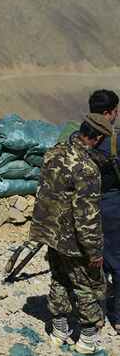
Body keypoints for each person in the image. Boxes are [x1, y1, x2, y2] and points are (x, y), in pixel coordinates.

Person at [31, 113, 112, 353]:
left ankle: (58, 332)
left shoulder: (54, 152)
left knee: (59, 279)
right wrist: (95, 250)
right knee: (87, 286)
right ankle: (87, 341)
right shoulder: (87, 168)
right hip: (74, 241)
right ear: (97, 137)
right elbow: (87, 217)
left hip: (50, 233)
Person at [84, 90, 120, 333]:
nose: (117, 116)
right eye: (116, 111)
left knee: (91, 260)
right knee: (116, 262)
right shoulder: (115, 142)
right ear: (106, 114)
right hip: (110, 207)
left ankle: (95, 315)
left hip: (83, 208)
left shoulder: (78, 137)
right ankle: (118, 316)